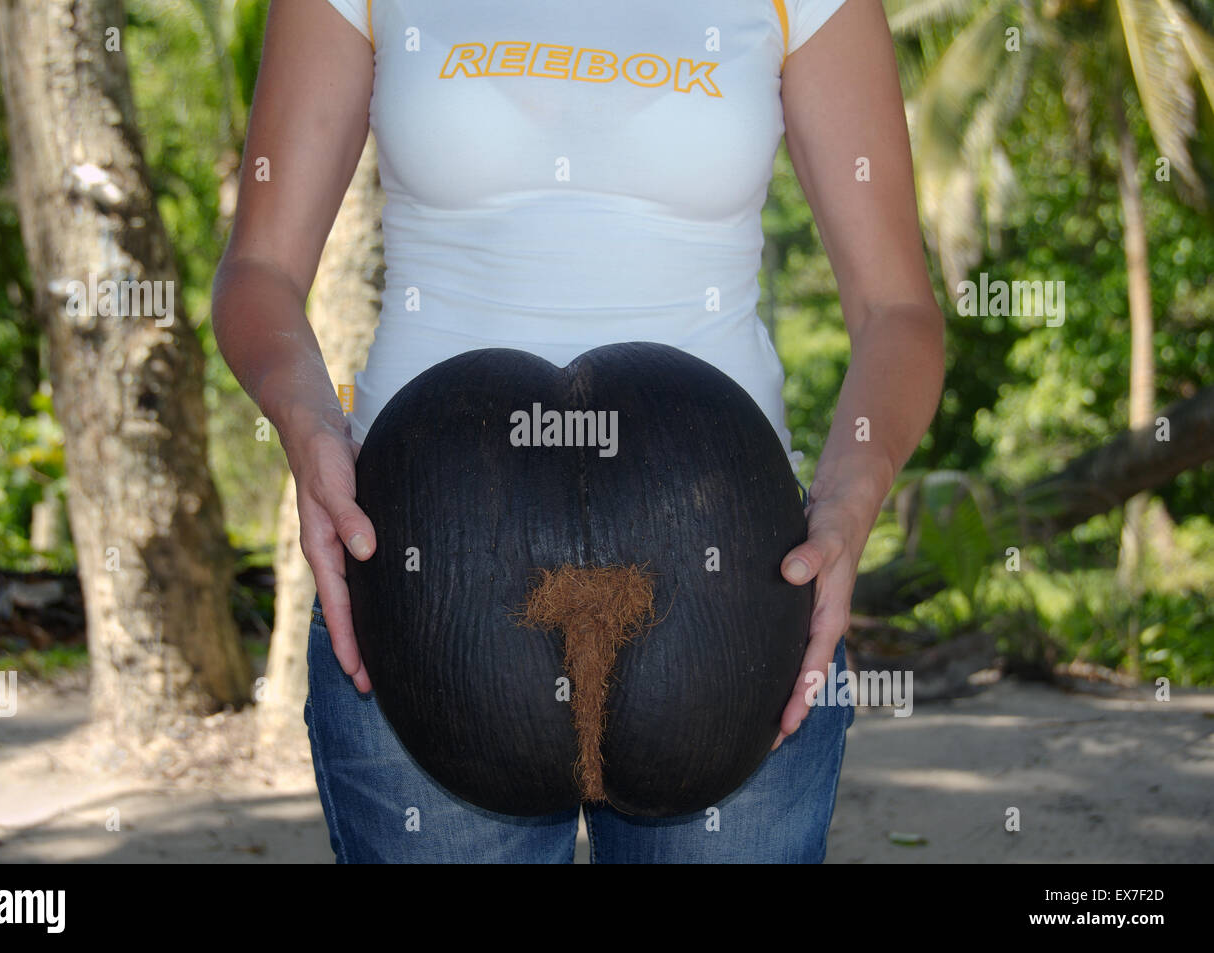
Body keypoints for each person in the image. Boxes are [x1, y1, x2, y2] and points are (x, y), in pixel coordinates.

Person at [212, 0, 944, 863]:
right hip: (426, 571)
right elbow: (258, 269)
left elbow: (898, 310)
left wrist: (851, 498)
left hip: (727, 581)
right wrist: (309, 426)